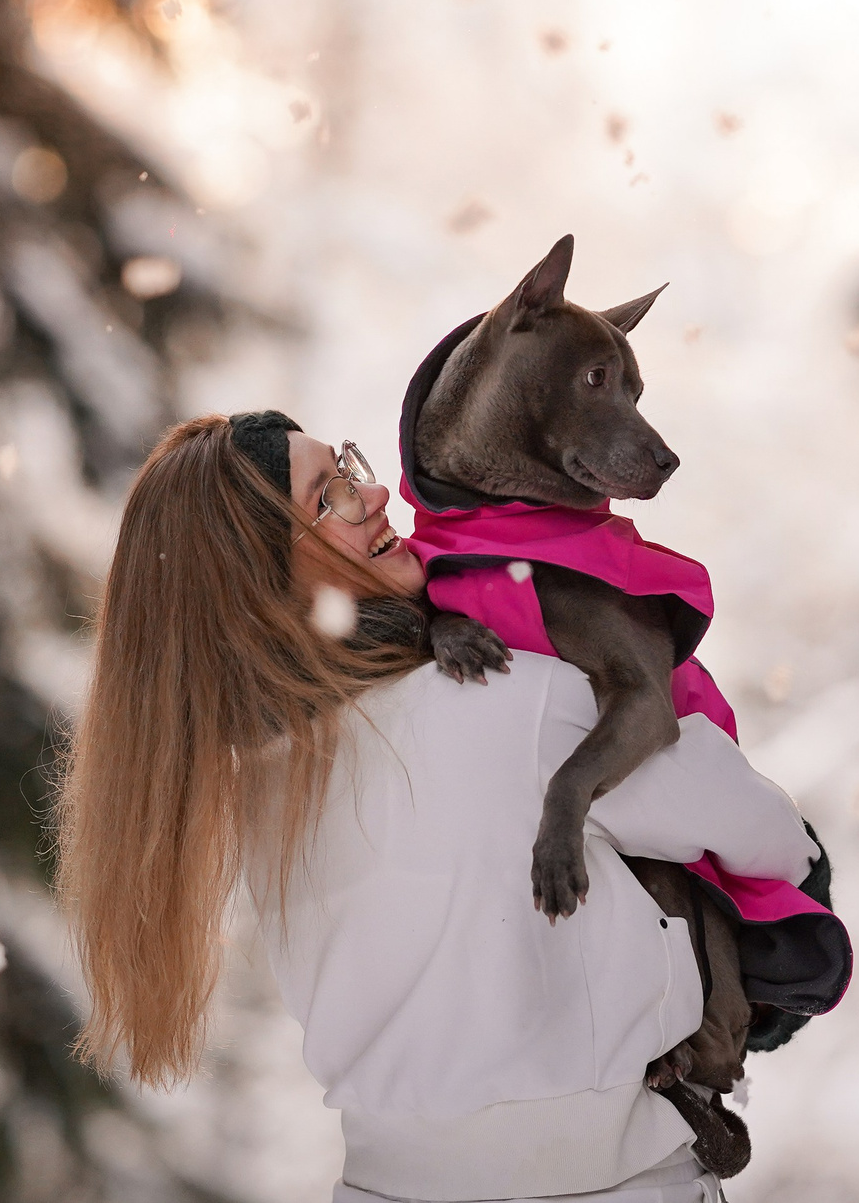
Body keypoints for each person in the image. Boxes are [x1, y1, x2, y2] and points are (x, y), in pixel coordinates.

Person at [53, 411, 819, 1203]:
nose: (376, 491)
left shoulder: (251, 788)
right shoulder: (514, 700)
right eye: (331, 497)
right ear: (265, 583)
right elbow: (768, 836)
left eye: (347, 465)